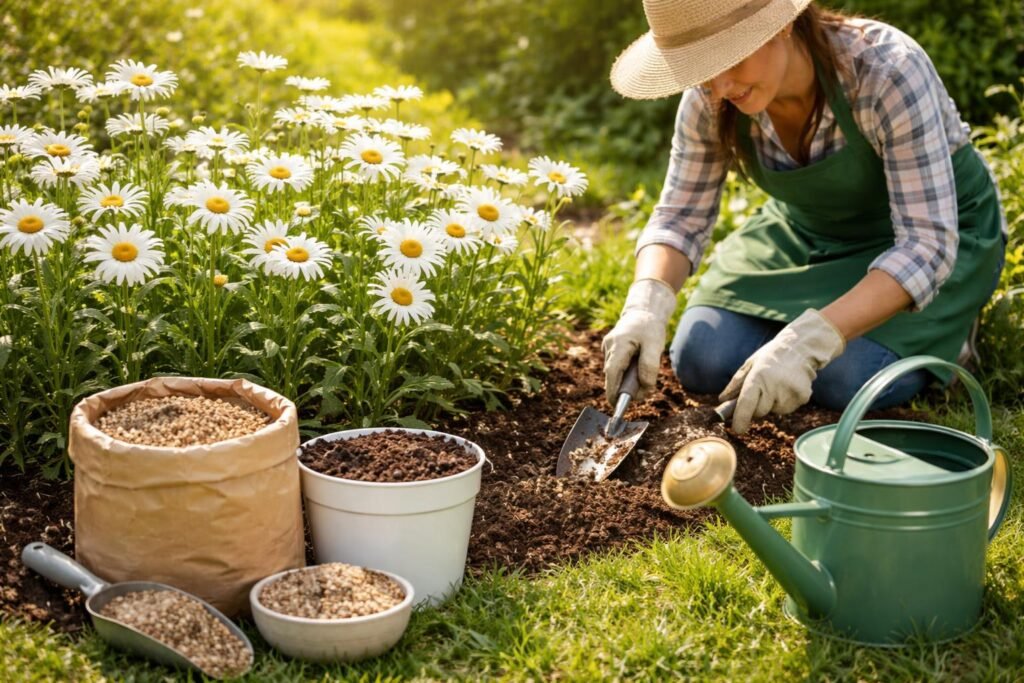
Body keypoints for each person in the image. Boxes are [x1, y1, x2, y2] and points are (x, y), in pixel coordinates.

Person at [602, 0, 1007, 433]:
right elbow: (680, 216)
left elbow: (927, 245)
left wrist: (806, 344)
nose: (720, 86)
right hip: (810, 229)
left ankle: (951, 328)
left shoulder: (884, 69)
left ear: (779, 25)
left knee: (841, 377)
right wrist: (647, 303)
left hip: (929, 238)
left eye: (730, 57)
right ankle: (807, 324)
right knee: (703, 356)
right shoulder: (711, 96)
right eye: (702, 67)